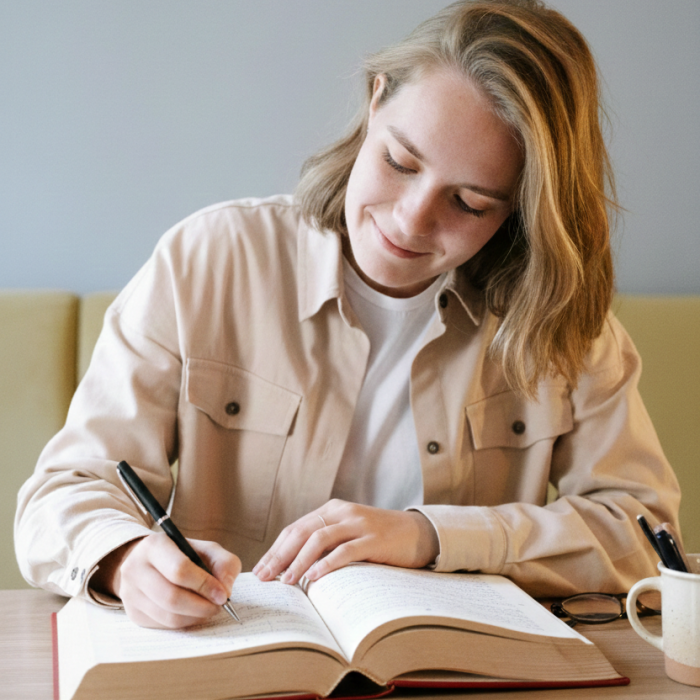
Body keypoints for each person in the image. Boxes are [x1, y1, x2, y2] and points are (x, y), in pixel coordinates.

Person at [15, 0, 680, 630]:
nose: (411, 219)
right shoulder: (210, 260)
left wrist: (431, 536)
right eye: (399, 161)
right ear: (374, 101)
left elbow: (645, 534)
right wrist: (127, 561)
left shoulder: (555, 314)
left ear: (520, 212)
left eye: (471, 204)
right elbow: (61, 497)